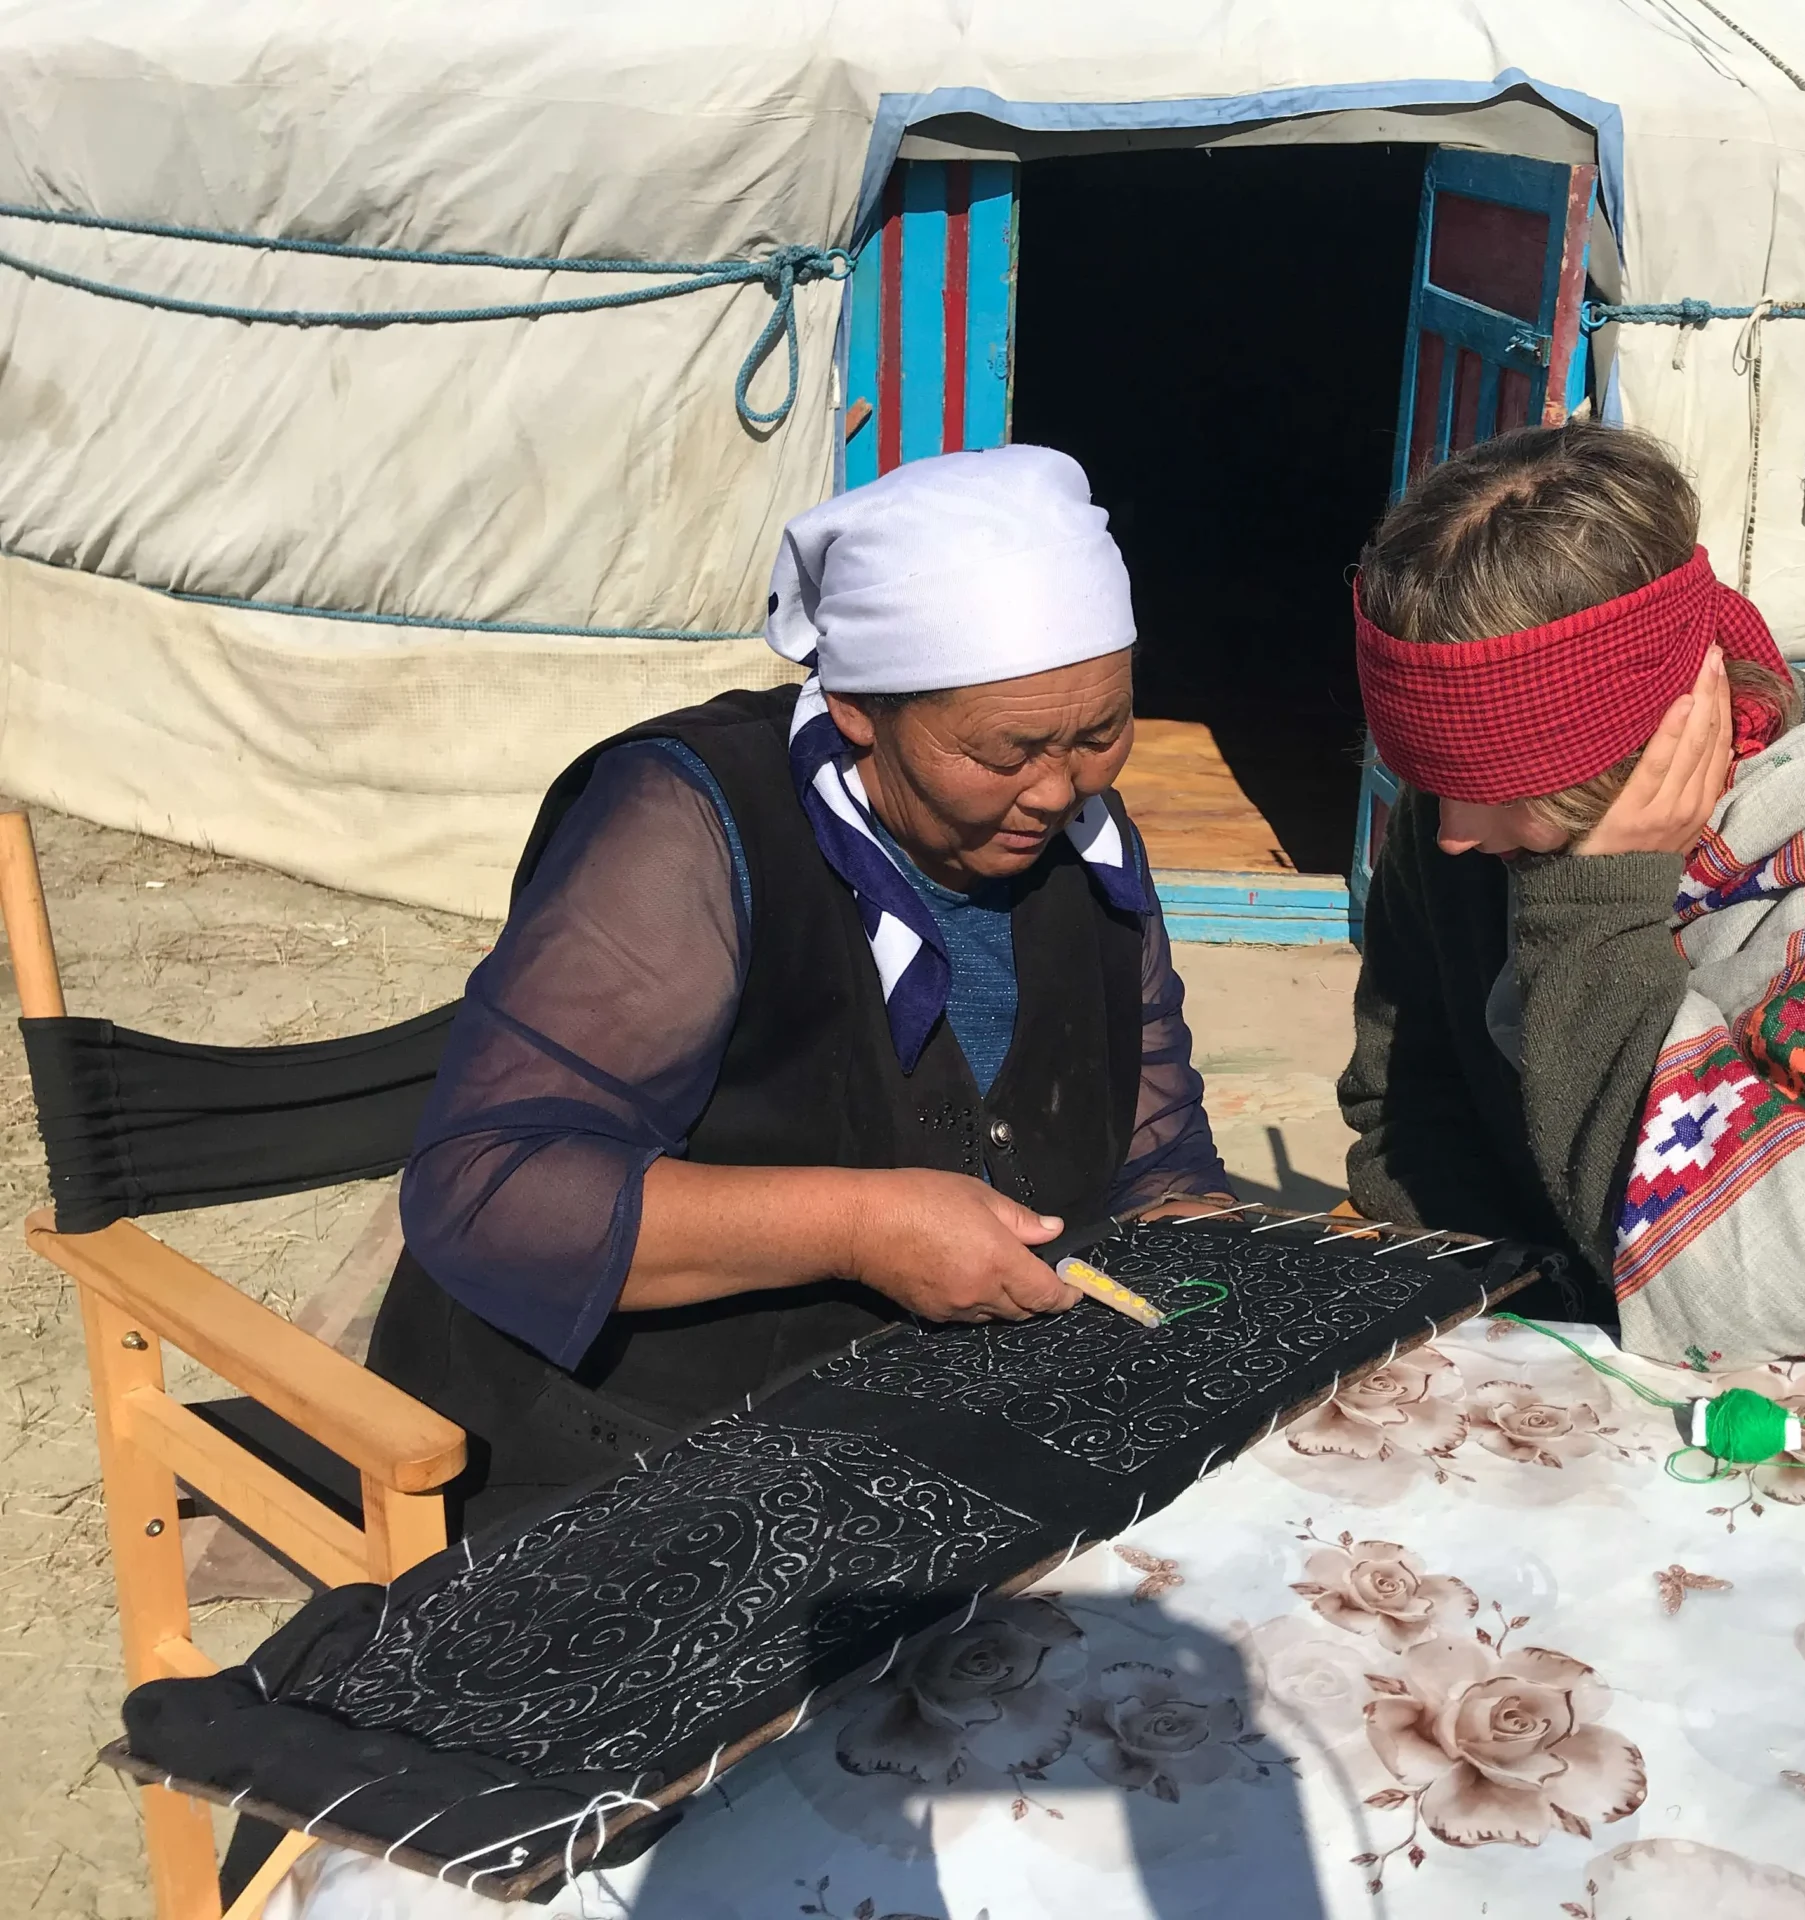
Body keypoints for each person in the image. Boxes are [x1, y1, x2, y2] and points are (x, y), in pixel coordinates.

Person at [373, 446, 1232, 1525]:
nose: (1058, 789)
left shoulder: (1087, 839)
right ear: (862, 706)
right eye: (1005, 752)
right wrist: (857, 1224)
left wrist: (1227, 1286)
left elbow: (1159, 1158)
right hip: (638, 1444)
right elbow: (486, 1194)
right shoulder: (684, 826)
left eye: (1101, 733)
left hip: (946, 1426)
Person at [1337, 421, 1805, 1376]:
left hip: (1792, 1416)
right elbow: (1402, 1101)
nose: (1448, 830)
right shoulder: (1470, 811)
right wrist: (1538, 1312)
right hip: (1527, 1350)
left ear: (1635, 741)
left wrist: (1594, 918)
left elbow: (1782, 1295)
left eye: (1495, 788)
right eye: (1426, 775)